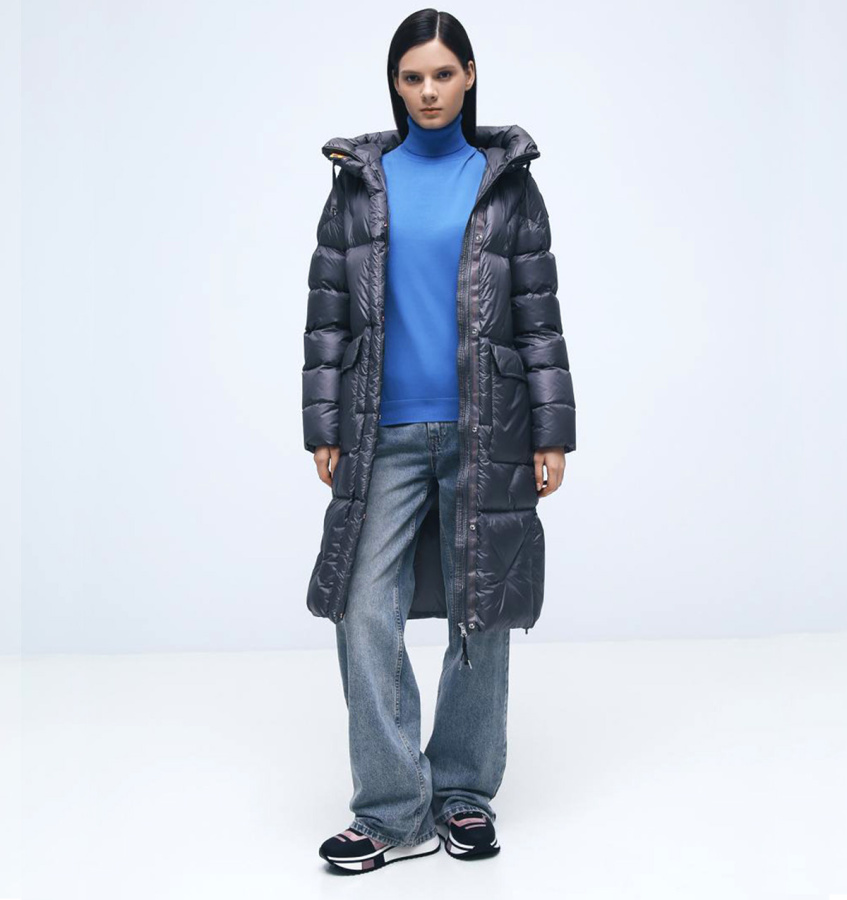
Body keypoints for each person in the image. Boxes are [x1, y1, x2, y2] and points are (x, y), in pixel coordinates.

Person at [302, 9, 576, 875]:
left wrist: (552, 431)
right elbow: (327, 316)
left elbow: (538, 318)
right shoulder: (359, 182)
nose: (427, 91)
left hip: (489, 428)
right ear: (395, 83)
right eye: (411, 77)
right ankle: (392, 810)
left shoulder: (505, 184)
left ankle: (461, 792)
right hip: (378, 430)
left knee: (479, 608)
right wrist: (322, 425)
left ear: (468, 76)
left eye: (442, 75)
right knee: (361, 605)